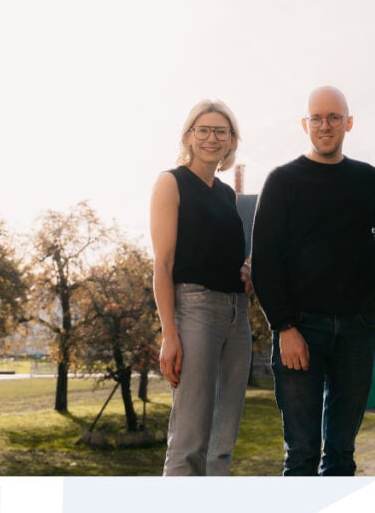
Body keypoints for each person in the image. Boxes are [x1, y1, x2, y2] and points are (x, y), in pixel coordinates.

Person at [250, 86, 375, 476]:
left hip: (358, 328)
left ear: (349, 123)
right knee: (300, 454)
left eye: (334, 117)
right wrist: (284, 327)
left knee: (341, 455)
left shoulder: (366, 178)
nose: (325, 125)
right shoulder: (282, 180)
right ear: (305, 124)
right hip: (301, 328)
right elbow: (265, 262)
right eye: (317, 118)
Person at [150, 99, 253, 476]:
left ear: (231, 141)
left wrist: (244, 269)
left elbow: (224, 254)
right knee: (190, 440)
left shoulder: (228, 196)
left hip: (236, 317)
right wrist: (169, 333)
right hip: (194, 311)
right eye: (204, 130)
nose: (212, 138)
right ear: (189, 136)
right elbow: (162, 264)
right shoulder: (171, 182)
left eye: (220, 132)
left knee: (223, 443)